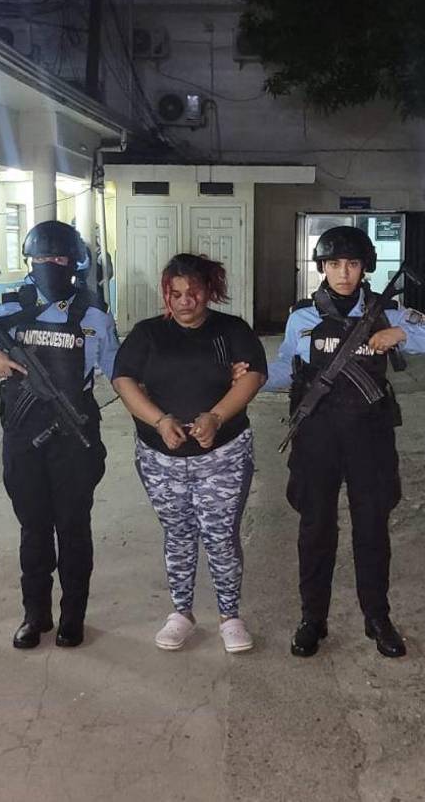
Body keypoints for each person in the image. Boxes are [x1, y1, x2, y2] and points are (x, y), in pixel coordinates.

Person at [266, 226, 425, 659]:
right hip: (317, 435)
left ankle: (377, 618)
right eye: (334, 264)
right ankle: (312, 618)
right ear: (322, 268)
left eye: (352, 264)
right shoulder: (302, 318)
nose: (344, 273)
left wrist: (401, 335)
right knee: (316, 528)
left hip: (370, 436)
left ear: (365, 267)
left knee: (372, 527)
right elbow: (284, 368)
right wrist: (242, 378)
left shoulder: (390, 312)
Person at [0, 220, 119, 650]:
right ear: (29, 261)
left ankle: (73, 616)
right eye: (41, 257)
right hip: (22, 434)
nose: (49, 264)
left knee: (74, 527)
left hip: (74, 432)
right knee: (33, 528)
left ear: (74, 262)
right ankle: (35, 615)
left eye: (58, 257)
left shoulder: (94, 314)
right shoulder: (8, 306)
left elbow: (118, 371)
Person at [112, 254, 267, 653]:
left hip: (223, 457)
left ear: (208, 291)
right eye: (175, 293)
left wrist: (216, 416)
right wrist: (159, 421)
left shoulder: (231, 330)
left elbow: (253, 376)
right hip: (160, 459)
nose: (184, 301)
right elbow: (123, 380)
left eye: (193, 292)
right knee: (178, 534)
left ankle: (230, 616)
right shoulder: (147, 334)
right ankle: (181, 612)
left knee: (221, 537)